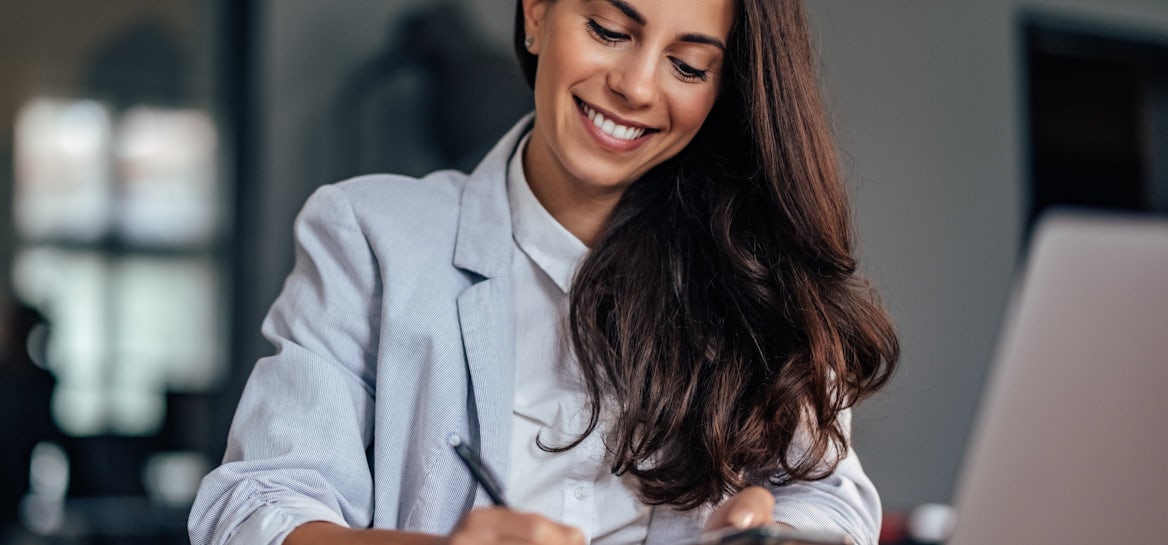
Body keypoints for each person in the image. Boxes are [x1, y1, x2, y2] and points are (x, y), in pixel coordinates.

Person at [189, 0, 898, 544]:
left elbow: (833, 501)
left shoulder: (758, 277)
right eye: (609, 30)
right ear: (536, 13)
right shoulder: (369, 238)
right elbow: (255, 506)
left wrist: (769, 522)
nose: (635, 85)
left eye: (687, 66)